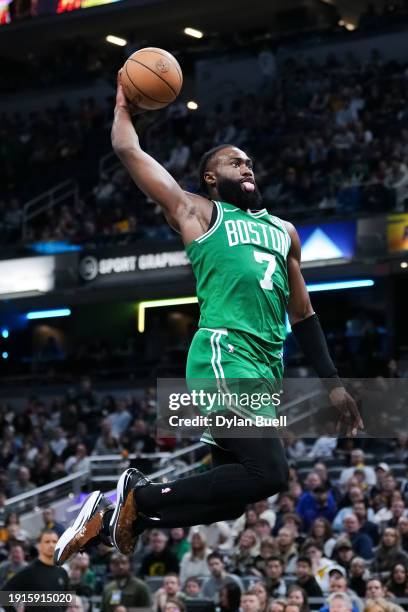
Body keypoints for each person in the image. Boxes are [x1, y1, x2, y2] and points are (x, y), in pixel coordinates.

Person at [55, 75, 363, 565]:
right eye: (234, 161)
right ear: (211, 178)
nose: (247, 166)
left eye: (250, 162)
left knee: (233, 501)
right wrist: (122, 108)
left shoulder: (285, 232)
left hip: (264, 370)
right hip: (224, 354)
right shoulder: (197, 212)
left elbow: (303, 314)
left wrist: (333, 383)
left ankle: (122, 511)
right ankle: (132, 500)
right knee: (272, 474)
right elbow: (129, 151)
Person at [4, 529, 69, 612]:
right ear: (39, 546)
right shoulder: (29, 572)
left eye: (54, 541)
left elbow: (65, 603)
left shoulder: (62, 573)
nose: (51, 545)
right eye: (47, 542)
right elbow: (5, 595)